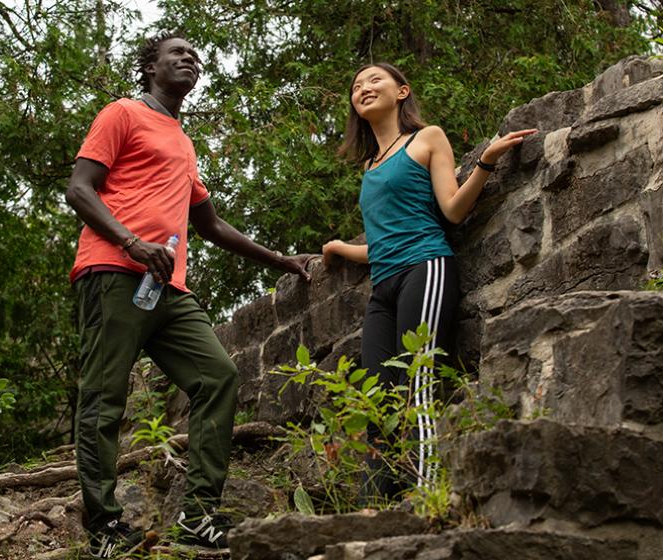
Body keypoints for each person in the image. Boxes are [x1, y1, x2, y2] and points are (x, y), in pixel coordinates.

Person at [65, 32, 313, 558]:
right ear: (151, 66)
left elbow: (211, 224)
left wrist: (282, 260)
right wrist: (131, 242)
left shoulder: (181, 140)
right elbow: (79, 188)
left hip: (166, 289)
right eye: (177, 53)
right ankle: (104, 529)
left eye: (196, 56)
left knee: (218, 376)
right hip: (113, 272)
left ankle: (198, 515)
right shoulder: (123, 114)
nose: (190, 60)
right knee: (103, 398)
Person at [322, 62, 535, 499]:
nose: (363, 87)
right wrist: (342, 248)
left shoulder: (427, 138)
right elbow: (383, 241)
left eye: (374, 80)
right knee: (376, 395)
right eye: (356, 85)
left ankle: (425, 496)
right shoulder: (368, 166)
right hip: (383, 285)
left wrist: (485, 162)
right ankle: (373, 504)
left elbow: (453, 210)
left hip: (427, 267)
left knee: (417, 377)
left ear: (402, 91)